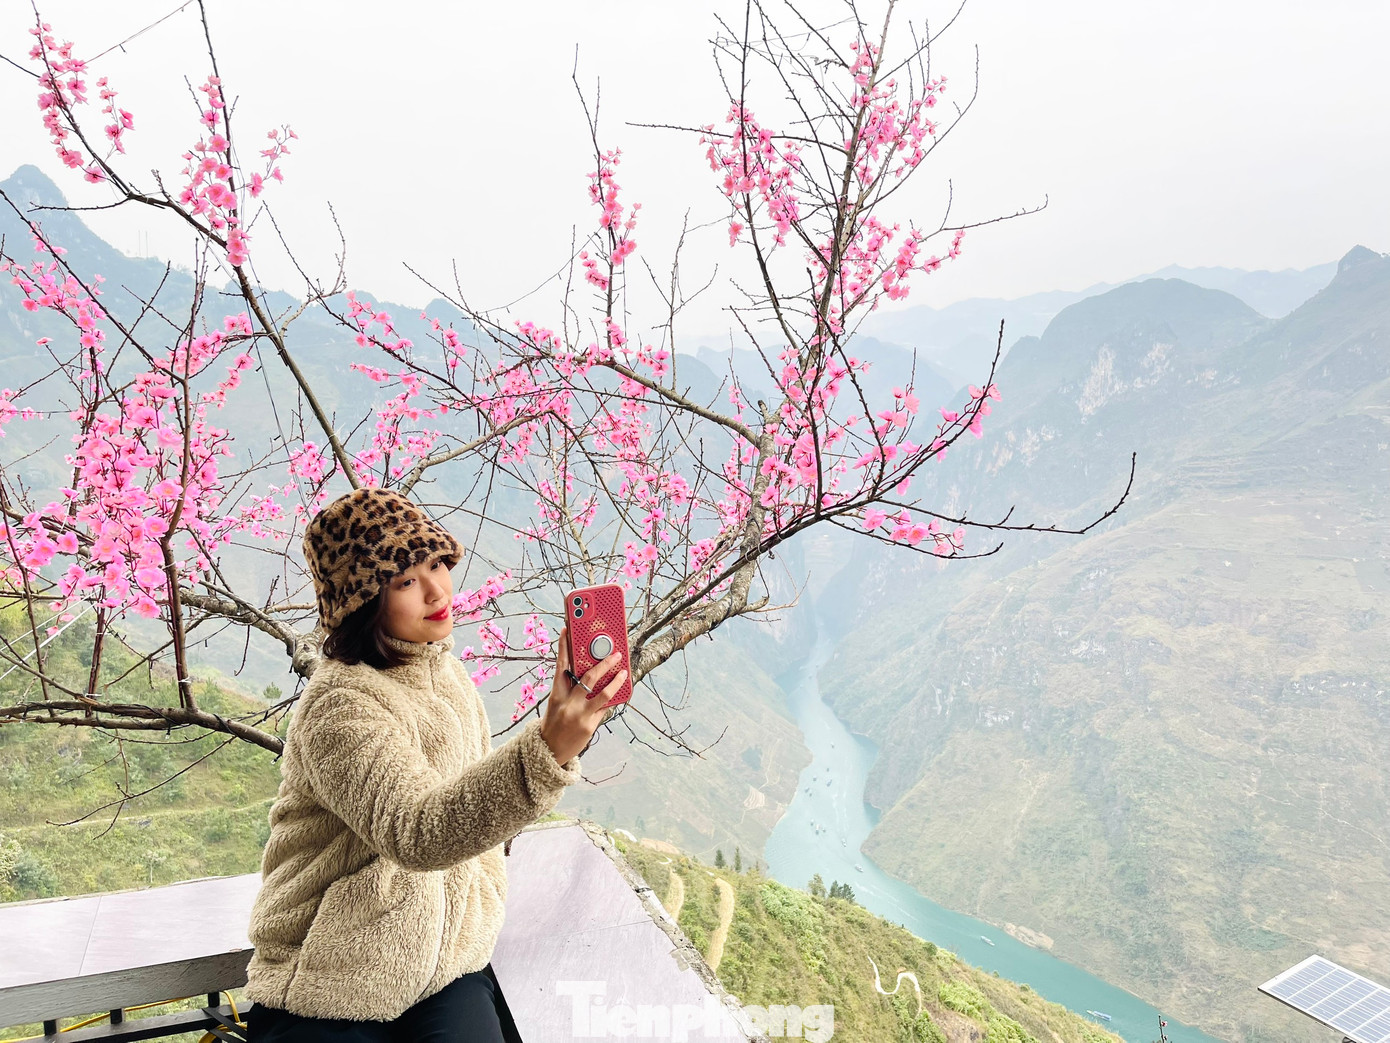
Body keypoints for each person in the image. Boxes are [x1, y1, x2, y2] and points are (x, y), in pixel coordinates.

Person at [242, 487, 625, 1042]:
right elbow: (417, 829)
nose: (436, 590)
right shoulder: (338, 705)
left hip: (445, 968)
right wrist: (548, 750)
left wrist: (479, 911)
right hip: (328, 986)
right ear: (362, 600)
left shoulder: (447, 677)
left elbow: (473, 811)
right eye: (404, 581)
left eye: (437, 564)